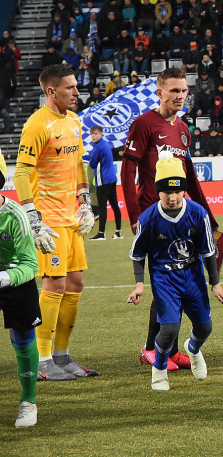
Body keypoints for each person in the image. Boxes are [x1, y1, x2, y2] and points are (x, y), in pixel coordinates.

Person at [121, 68, 217, 371]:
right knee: (164, 279)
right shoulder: (144, 124)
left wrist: (207, 214)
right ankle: (152, 349)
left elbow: (189, 176)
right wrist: (134, 215)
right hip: (153, 215)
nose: (180, 96)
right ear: (159, 92)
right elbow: (128, 170)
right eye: (174, 90)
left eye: (184, 91)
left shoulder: (184, 129)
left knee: (179, 275)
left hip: (181, 216)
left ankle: (171, 351)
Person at [15, 64, 97, 381]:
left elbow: (78, 165)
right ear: (51, 91)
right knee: (55, 283)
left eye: (76, 86)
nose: (77, 92)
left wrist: (85, 201)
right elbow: (22, 173)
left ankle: (62, 356)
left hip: (71, 217)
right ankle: (43, 359)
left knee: (75, 283)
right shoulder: (37, 124)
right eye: (70, 87)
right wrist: (33, 219)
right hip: (48, 219)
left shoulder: (74, 121)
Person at [127, 151, 223, 390]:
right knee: (169, 329)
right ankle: (159, 368)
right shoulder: (148, 218)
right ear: (157, 191)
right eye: (166, 192)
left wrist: (215, 282)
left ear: (184, 190)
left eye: (178, 191)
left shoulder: (198, 213)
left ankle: (193, 349)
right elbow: (138, 254)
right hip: (164, 279)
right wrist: (139, 284)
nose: (173, 197)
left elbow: (208, 251)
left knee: (205, 327)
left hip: (193, 277)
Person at [0, 158, 42, 426]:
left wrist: (6, 276)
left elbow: (31, 265)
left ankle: (29, 402)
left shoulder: (15, 216)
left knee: (23, 340)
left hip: (16, 280)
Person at [85, 126, 122, 241]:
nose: (93, 136)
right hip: (112, 178)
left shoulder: (98, 147)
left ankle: (101, 233)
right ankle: (118, 232)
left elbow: (92, 164)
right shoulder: (106, 144)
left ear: (100, 134)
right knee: (114, 204)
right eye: (92, 134)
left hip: (103, 179)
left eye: (95, 134)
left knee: (102, 206)